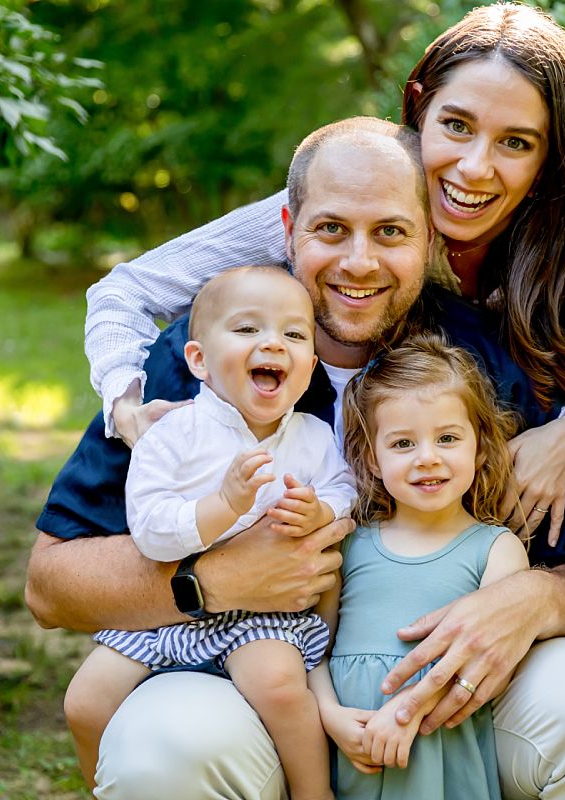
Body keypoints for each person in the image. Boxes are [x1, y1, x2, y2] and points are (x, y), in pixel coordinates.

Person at [28, 116, 565, 800]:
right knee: (163, 750)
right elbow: (50, 585)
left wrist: (537, 599)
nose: (359, 262)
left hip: (449, 692)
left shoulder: (483, 360)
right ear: (288, 228)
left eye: (391, 232)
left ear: (431, 238)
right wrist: (210, 581)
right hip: (245, 680)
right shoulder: (206, 363)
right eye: (331, 229)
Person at [85, 3, 565, 547]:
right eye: (456, 125)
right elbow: (126, 289)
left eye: (515, 142)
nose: (475, 167)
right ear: (418, 108)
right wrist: (126, 405)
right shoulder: (340, 205)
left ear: (547, 160)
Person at [63, 267, 353, 798]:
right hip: (165, 611)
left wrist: (321, 512)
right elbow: (149, 530)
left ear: (310, 367)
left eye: (293, 334)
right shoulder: (170, 433)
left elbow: (343, 489)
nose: (273, 343)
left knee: (280, 687)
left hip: (263, 612)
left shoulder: (312, 437)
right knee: (85, 700)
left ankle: (315, 793)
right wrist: (223, 506)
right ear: (198, 359)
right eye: (248, 329)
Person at [310, 334, 529, 799]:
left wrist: (407, 711)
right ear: (373, 457)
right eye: (403, 443)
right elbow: (314, 650)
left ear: (481, 447)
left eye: (447, 438)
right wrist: (329, 715)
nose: (427, 457)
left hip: (439, 753)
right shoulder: (349, 544)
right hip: (354, 754)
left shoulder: (496, 549)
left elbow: (493, 665)